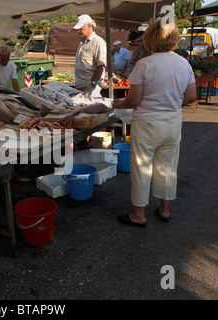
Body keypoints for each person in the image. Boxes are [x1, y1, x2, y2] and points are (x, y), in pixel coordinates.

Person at [112, 20, 196, 228]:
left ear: (150, 39)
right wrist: (173, 102)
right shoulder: (184, 63)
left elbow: (133, 100)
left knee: (142, 167)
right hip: (173, 121)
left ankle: (138, 214)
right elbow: (192, 95)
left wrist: (118, 103)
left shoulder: (144, 64)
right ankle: (165, 209)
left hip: (148, 122)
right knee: (167, 166)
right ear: (174, 39)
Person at [73, 14, 107, 93]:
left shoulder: (98, 42)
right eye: (77, 29)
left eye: (80, 28)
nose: (78, 31)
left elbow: (101, 65)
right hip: (80, 85)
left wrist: (93, 83)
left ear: (89, 25)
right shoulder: (81, 42)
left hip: (90, 86)